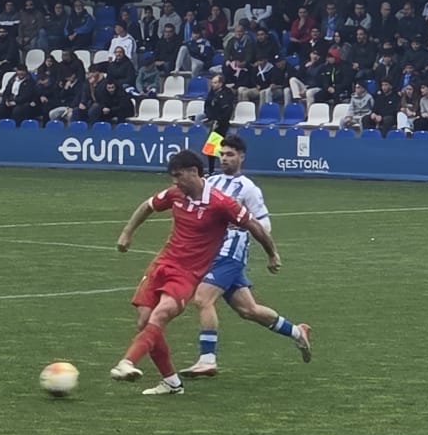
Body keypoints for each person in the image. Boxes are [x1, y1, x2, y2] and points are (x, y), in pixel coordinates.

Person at [112, 148, 280, 396]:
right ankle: (171, 382)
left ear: (194, 172)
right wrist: (127, 232)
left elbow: (254, 225)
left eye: (179, 176)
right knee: (144, 322)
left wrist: (271, 253)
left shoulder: (221, 203)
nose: (175, 181)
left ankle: (127, 362)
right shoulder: (175, 194)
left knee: (160, 315)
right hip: (162, 264)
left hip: (187, 274)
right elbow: (147, 206)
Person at [178, 135, 311, 377]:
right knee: (248, 310)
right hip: (212, 250)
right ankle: (297, 332)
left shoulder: (248, 188)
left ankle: (207, 360)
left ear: (241, 157)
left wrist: (261, 244)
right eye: (222, 154)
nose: (225, 158)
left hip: (231, 252)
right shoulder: (211, 181)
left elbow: (264, 224)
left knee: (203, 298)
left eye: (230, 154)